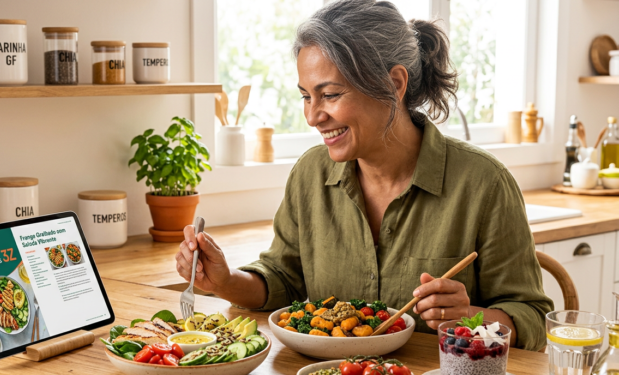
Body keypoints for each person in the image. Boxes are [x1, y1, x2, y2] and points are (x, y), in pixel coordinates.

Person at [175, 0, 553, 351]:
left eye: (331, 94)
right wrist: (225, 282)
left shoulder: (484, 183)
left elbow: (532, 317)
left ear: (394, 84)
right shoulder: (310, 174)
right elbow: (282, 281)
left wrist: (471, 317)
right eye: (307, 96)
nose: (312, 116)